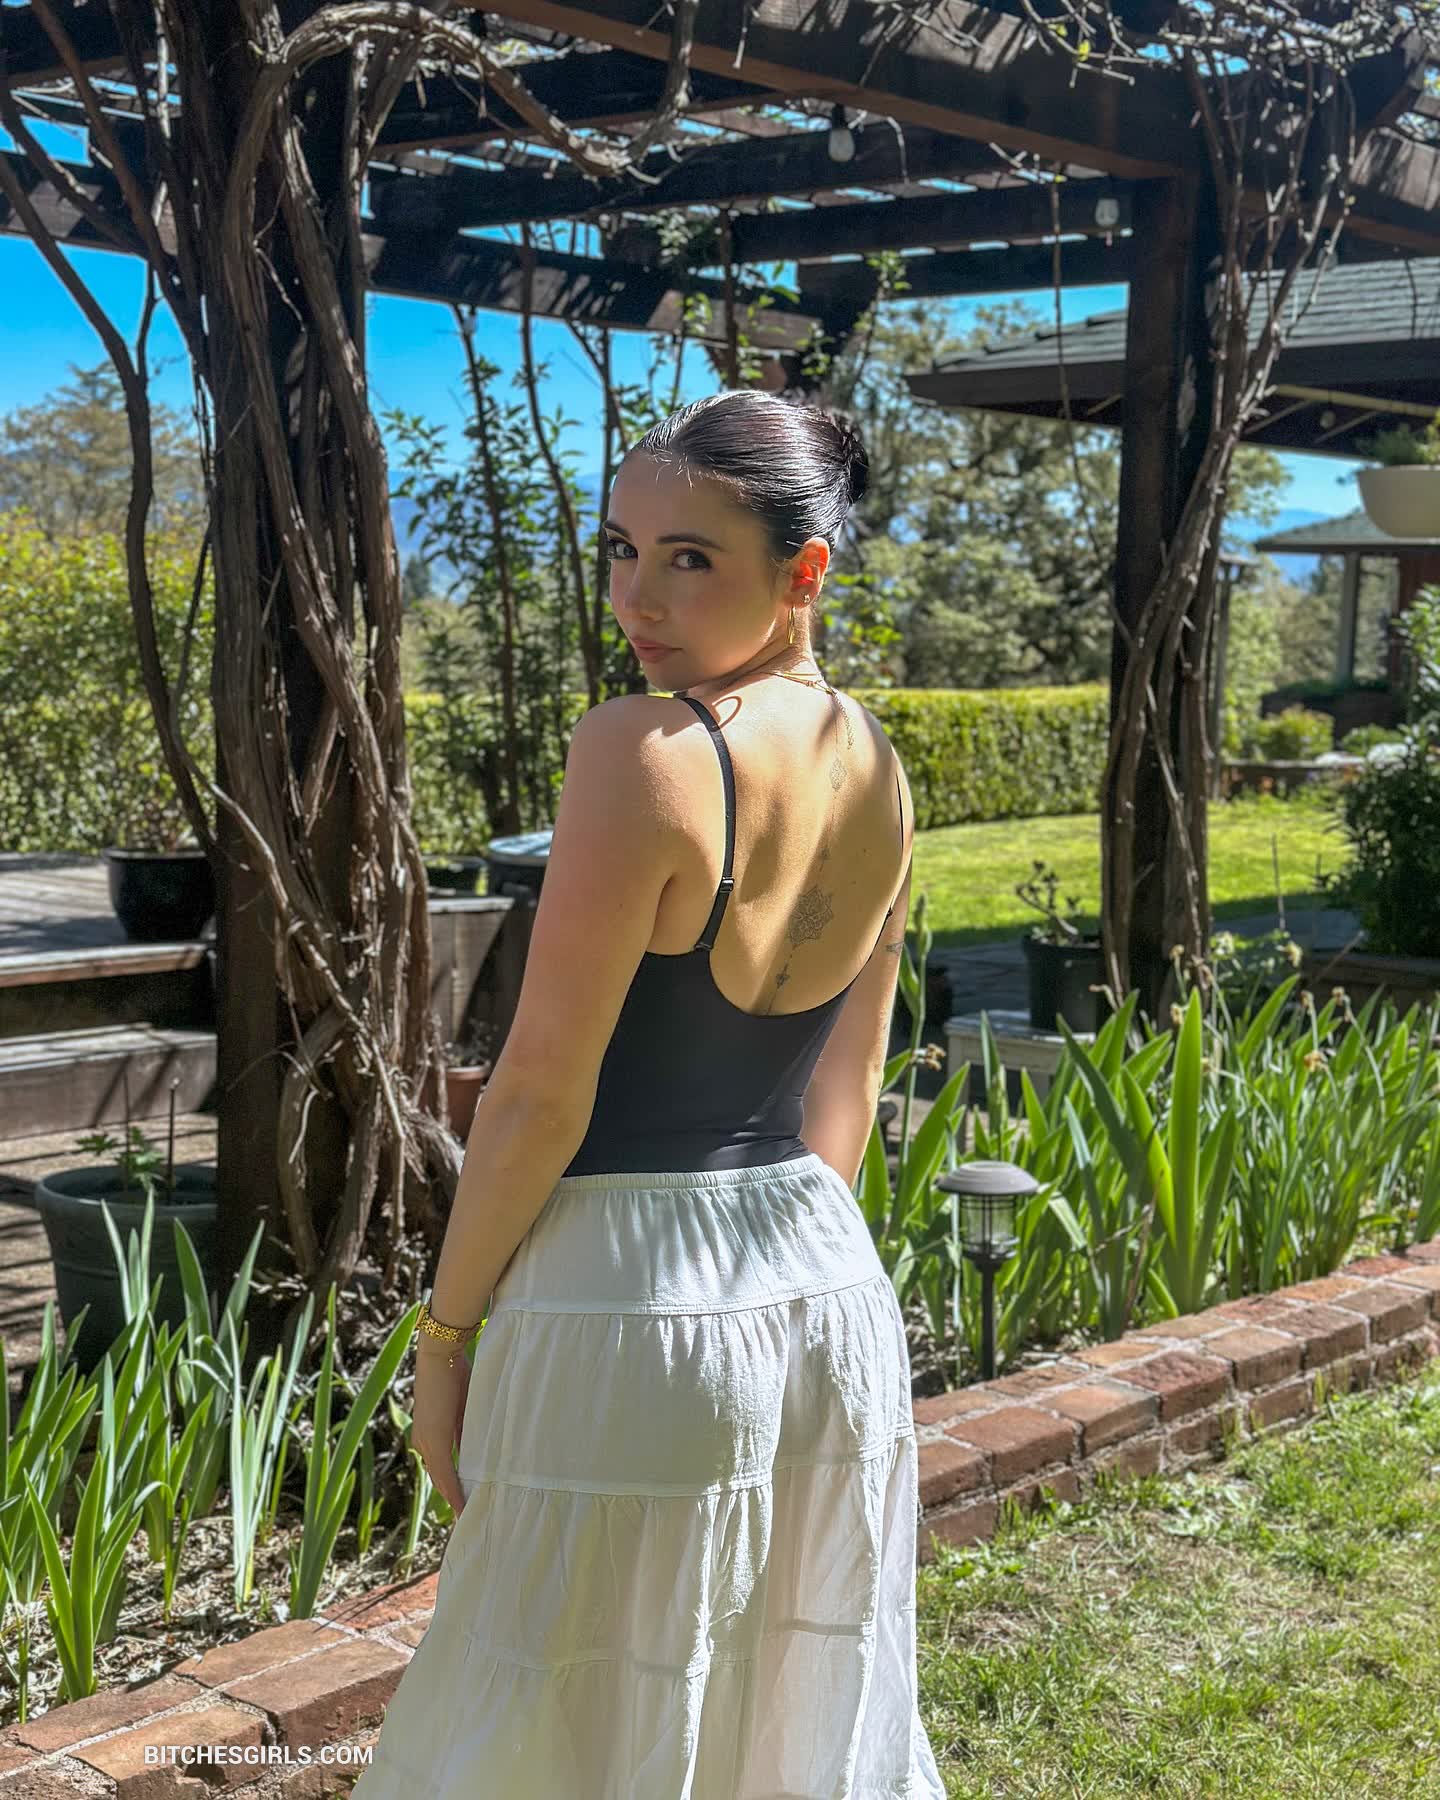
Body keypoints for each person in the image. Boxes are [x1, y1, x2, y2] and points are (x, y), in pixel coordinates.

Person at [352, 389, 943, 1798]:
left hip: (628, 1297)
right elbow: (847, 1088)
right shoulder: (878, 766)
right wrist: (778, 1299)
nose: (637, 596)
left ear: (804, 571)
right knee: (774, 1722)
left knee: (551, 1732)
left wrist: (445, 1336)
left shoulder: (642, 750)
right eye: (623, 548)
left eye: (691, 558)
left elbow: (540, 1096)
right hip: (821, 1290)